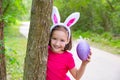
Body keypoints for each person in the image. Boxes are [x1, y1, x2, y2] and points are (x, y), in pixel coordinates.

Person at [46, 6, 92, 80]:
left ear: (67, 40)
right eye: (54, 38)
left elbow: (77, 76)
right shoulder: (44, 51)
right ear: (50, 37)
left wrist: (84, 63)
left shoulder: (68, 57)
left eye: (62, 40)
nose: (57, 43)